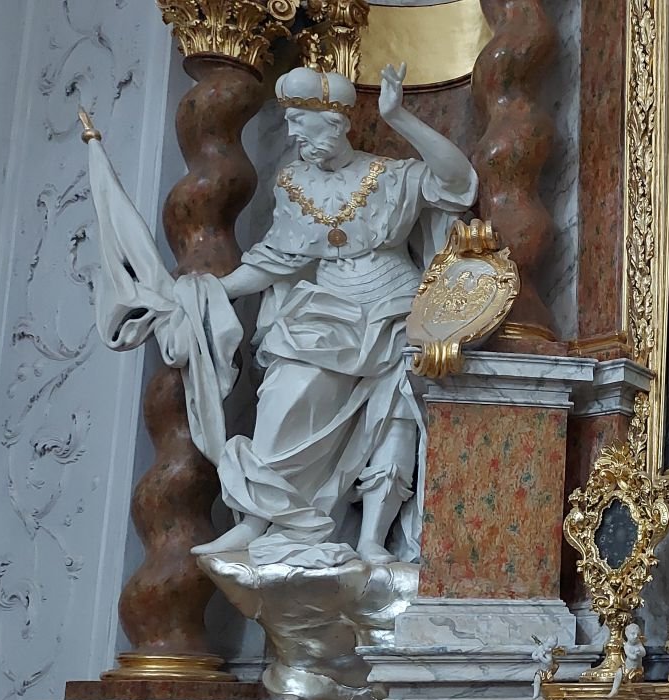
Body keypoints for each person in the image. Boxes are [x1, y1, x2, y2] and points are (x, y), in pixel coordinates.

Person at [93, 64, 478, 566]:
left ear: (334, 120)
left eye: (301, 121)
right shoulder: (293, 183)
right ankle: (258, 519)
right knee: (282, 397)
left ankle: (372, 537)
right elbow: (277, 259)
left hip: (393, 310)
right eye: (290, 122)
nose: (293, 134)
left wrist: (399, 116)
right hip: (324, 313)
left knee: (393, 416)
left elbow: (458, 182)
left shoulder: (389, 176)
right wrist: (215, 290)